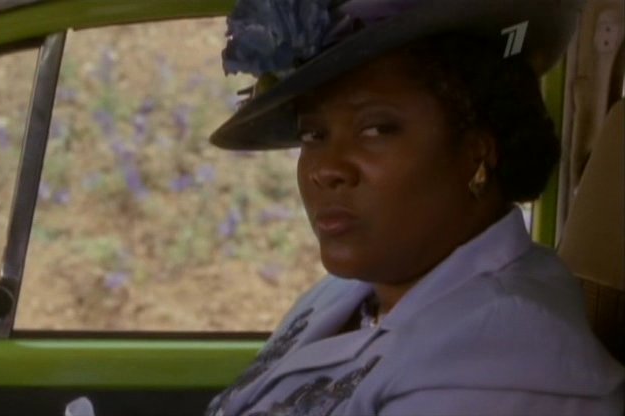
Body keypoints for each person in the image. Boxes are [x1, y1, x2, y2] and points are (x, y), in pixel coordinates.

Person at [206, 0, 625, 415]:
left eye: (375, 129)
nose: (325, 169)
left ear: (477, 152)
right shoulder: (349, 292)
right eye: (313, 135)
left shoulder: (504, 362)